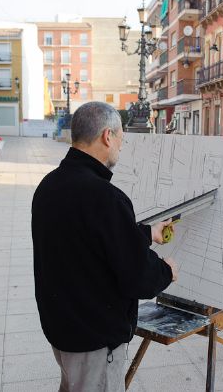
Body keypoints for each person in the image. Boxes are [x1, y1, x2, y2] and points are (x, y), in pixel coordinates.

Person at [32, 102, 178, 392]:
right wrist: (166, 271)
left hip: (62, 328)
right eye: (121, 138)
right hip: (94, 339)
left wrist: (146, 234)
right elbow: (138, 277)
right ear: (107, 136)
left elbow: (87, 240)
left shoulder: (49, 185)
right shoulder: (105, 197)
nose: (121, 146)